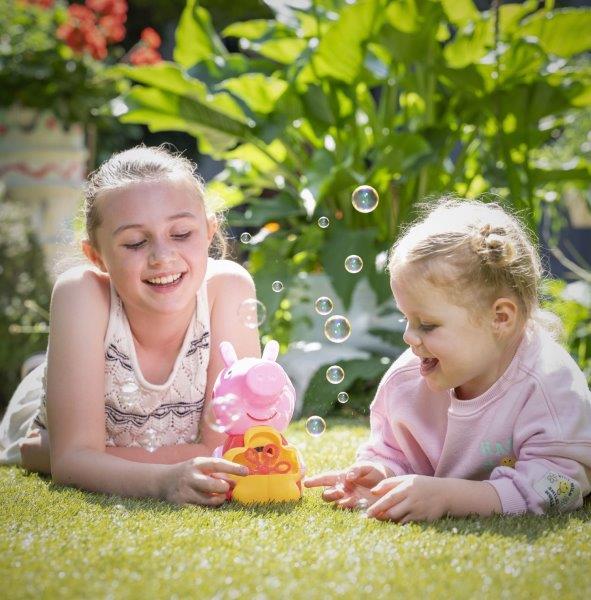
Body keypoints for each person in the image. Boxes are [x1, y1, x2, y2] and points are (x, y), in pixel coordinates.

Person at [0, 145, 260, 506]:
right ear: (96, 256)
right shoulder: (81, 293)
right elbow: (70, 462)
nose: (162, 257)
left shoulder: (228, 288)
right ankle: (47, 374)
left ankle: (51, 377)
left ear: (209, 232)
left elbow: (225, 450)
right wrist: (162, 480)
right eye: (135, 242)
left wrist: (64, 454)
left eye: (181, 234)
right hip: (46, 409)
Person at [305, 198, 591, 522]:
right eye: (406, 319)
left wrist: (447, 498)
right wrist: (381, 473)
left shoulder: (549, 386)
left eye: (427, 325)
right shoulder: (407, 381)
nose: (409, 337)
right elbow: (394, 450)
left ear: (500, 318)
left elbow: (555, 488)